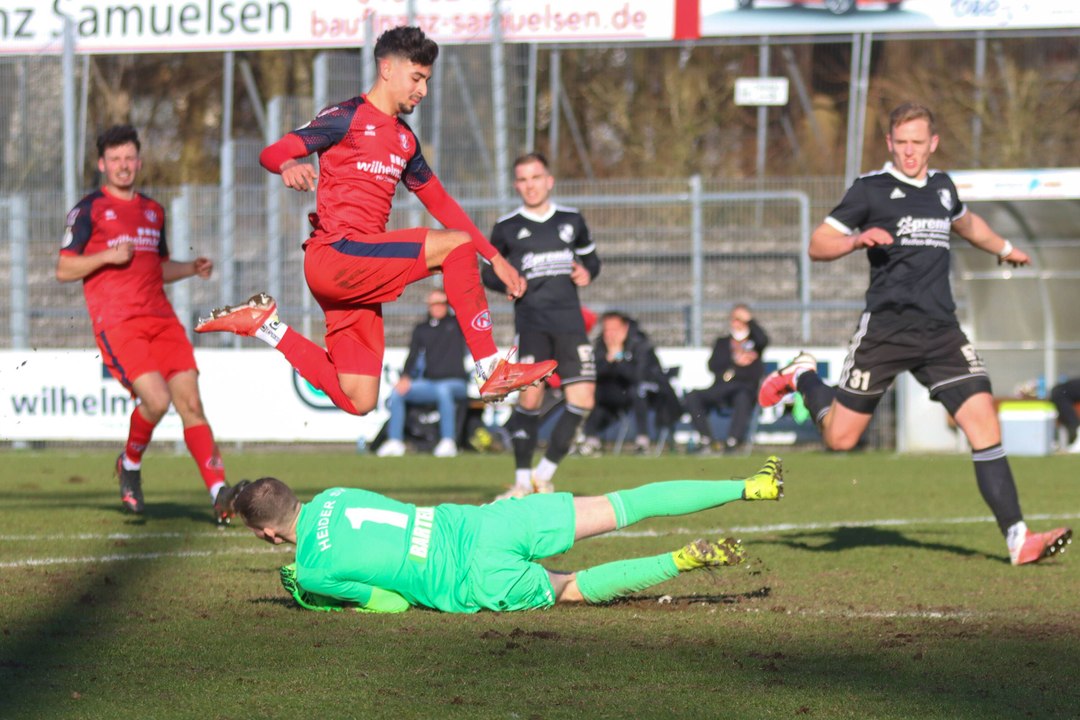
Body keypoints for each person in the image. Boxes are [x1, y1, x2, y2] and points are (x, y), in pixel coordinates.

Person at [757, 102, 1071, 566]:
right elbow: (817, 243)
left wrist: (1005, 248)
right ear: (889, 143)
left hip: (941, 333)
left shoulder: (943, 187)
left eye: (917, 143)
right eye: (901, 143)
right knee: (841, 439)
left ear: (933, 143)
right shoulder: (870, 189)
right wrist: (856, 240)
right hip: (885, 331)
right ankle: (803, 374)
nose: (909, 152)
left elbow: (967, 224)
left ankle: (1018, 538)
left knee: (984, 422)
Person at [194, 26, 555, 414]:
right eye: (416, 78)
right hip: (336, 255)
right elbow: (273, 151)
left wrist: (495, 258)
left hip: (359, 273)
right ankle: (490, 367)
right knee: (456, 246)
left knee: (359, 399)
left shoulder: (405, 140)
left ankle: (266, 326)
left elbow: (441, 202)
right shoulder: (346, 117)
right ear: (387, 69)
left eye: (427, 80)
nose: (423, 90)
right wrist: (287, 165)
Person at [230, 456, 784, 613]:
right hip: (484, 522)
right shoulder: (335, 493)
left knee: (571, 587)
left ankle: (680, 561)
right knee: (625, 503)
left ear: (268, 535)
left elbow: (392, 604)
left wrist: (318, 598)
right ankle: (748, 485)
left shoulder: (313, 569)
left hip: (472, 578)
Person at [56, 124, 237, 523]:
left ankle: (219, 494)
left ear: (139, 162)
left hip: (162, 320)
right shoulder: (88, 210)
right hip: (119, 323)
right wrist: (106, 256)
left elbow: (155, 267)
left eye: (129, 158)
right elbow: (64, 269)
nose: (123, 166)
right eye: (115, 159)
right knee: (156, 400)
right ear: (102, 164)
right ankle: (130, 463)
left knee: (192, 403)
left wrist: (190, 268)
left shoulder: (153, 211)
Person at [481, 152, 601, 498]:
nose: (530, 185)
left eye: (536, 177)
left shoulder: (571, 220)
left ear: (549, 181)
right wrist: (506, 282)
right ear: (516, 185)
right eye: (522, 179)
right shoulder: (506, 226)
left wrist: (587, 272)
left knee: (583, 399)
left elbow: (592, 259)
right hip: (532, 323)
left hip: (570, 323)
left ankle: (542, 476)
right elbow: (488, 271)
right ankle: (521, 482)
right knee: (531, 399)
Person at [376, 289, 469, 458]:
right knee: (398, 393)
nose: (437, 307)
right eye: (434, 303)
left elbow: (469, 312)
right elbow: (412, 356)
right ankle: (395, 441)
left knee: (443, 390)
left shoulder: (457, 324)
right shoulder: (421, 329)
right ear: (428, 306)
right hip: (430, 383)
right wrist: (405, 377)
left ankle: (448, 441)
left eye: (442, 303)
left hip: (456, 383)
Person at [579, 312, 681, 455]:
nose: (610, 334)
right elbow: (594, 374)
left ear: (625, 328)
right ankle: (590, 440)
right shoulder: (601, 346)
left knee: (638, 391)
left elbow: (639, 376)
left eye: (614, 329)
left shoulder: (641, 345)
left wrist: (619, 359)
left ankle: (642, 440)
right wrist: (608, 360)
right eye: (607, 330)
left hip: (644, 394)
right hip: (614, 395)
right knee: (593, 392)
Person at [684, 304, 769, 454]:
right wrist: (735, 363)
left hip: (744, 388)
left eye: (741, 319)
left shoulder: (755, 342)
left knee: (742, 396)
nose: (737, 323)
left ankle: (732, 441)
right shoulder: (722, 342)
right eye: (734, 319)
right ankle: (706, 439)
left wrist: (750, 320)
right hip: (722, 387)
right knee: (692, 396)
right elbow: (713, 365)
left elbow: (763, 339)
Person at [1050, 377, 1080, 453]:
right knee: (1069, 420)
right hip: (1060, 394)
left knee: (1065, 420)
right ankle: (1062, 446)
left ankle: (1062, 446)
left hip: (1059, 393)